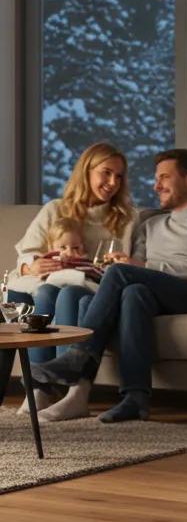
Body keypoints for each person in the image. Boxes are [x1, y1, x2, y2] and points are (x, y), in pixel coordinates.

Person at [32, 148, 187, 424]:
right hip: (152, 293)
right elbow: (135, 270)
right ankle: (132, 398)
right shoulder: (150, 225)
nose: (156, 185)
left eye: (164, 177)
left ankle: (79, 357)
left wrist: (139, 268)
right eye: (156, 179)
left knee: (123, 275)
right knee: (127, 292)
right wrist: (127, 266)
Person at [7, 142, 137, 413]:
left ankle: (68, 388)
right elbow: (25, 257)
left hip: (95, 286)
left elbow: (123, 268)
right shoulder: (55, 209)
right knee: (45, 293)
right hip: (49, 283)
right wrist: (33, 266)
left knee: (68, 294)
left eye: (119, 176)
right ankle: (38, 390)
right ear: (86, 171)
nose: (112, 182)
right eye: (106, 172)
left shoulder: (127, 219)